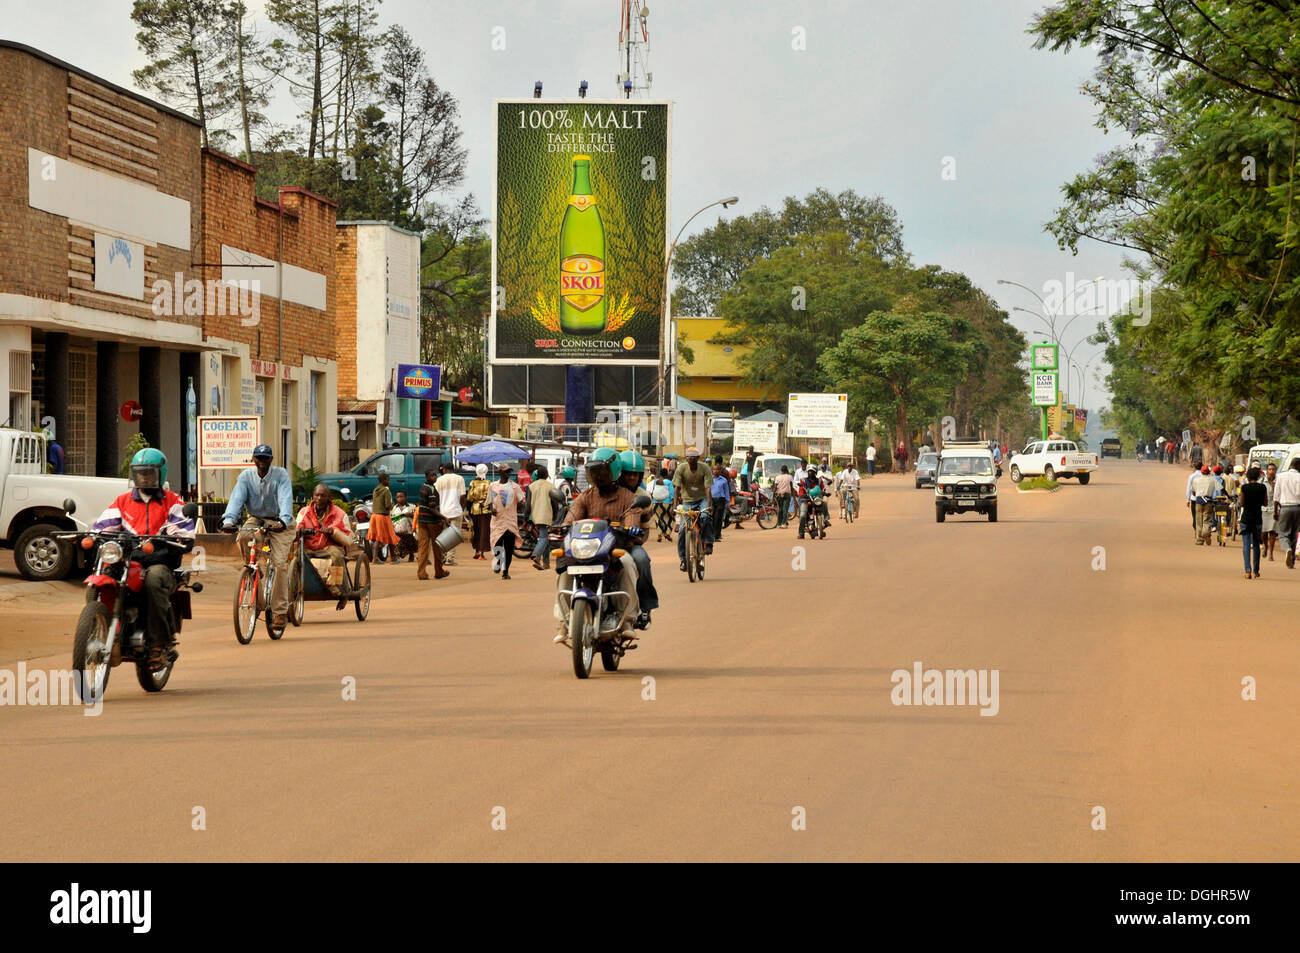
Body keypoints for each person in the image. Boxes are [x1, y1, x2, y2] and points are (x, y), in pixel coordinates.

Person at [93, 448, 195, 667]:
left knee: (153, 580)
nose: (144, 477)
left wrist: (168, 542)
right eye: (140, 473)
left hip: (160, 564)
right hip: (127, 562)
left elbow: (185, 534)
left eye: (149, 473)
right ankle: (99, 627)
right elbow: (103, 526)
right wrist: (95, 537)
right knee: (102, 575)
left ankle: (158, 646)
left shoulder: (173, 501)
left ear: (160, 474)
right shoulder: (122, 501)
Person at [552, 448, 646, 645]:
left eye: (602, 472)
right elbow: (573, 515)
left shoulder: (628, 497)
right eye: (594, 472)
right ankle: (564, 621)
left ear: (614, 471)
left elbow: (633, 517)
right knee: (565, 570)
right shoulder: (587, 495)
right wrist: (563, 526)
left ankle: (627, 621)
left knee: (628, 564)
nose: (598, 476)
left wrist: (630, 528)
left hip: (614, 550)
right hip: (587, 548)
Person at [221, 444, 294, 629]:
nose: (262, 462)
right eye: (258, 458)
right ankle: (252, 567)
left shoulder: (281, 475)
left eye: (265, 458)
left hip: (279, 522)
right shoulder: (246, 477)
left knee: (279, 565)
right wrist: (229, 521)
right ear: (253, 459)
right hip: (256, 518)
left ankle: (279, 613)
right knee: (243, 536)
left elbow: (285, 498)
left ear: (271, 459)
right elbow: (236, 499)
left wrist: (283, 521)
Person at [615, 449, 658, 623]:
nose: (632, 478)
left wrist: (638, 539)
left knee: (642, 560)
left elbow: (646, 529)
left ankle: (646, 607)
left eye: (635, 474)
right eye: (628, 474)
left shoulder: (643, 497)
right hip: (603, 542)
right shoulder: (608, 490)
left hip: (629, 543)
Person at [296, 483, 352, 594]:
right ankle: (293, 585)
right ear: (313, 496)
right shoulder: (304, 512)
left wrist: (333, 532)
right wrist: (299, 532)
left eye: (323, 496)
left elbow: (348, 540)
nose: (319, 498)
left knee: (337, 555)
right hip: (308, 548)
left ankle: (338, 589)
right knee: (293, 556)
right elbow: (295, 530)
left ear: (329, 498)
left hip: (327, 548)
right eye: (317, 495)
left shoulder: (339, 514)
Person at [671, 446, 714, 569]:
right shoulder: (681, 469)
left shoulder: (704, 468)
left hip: (702, 499)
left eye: (693, 457)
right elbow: (677, 488)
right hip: (687, 501)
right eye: (688, 456)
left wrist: (709, 505)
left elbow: (708, 488)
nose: (691, 459)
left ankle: (708, 541)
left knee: (705, 516)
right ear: (686, 458)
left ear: (698, 458)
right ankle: (684, 560)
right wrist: (674, 506)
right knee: (682, 531)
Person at [489, 464, 526, 580]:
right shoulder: (493, 486)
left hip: (510, 522)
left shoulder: (515, 487)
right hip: (497, 522)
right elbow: (489, 502)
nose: (508, 474)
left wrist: (520, 504)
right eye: (505, 472)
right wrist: (492, 509)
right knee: (497, 544)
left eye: (509, 472)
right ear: (500, 472)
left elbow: (521, 502)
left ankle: (506, 571)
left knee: (509, 549)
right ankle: (499, 560)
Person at [416, 468, 449, 581]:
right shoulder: (431, 489)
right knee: (437, 547)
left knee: (423, 547)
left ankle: (421, 572)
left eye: (435, 475)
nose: (435, 477)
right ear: (427, 476)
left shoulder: (423, 487)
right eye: (432, 475)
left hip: (422, 520)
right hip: (432, 522)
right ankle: (439, 571)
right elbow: (432, 508)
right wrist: (444, 517)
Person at [528, 466, 563, 570]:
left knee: (545, 537)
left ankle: (546, 563)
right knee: (543, 537)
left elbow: (528, 504)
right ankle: (536, 556)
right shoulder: (551, 486)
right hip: (546, 514)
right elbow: (554, 502)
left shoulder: (531, 486)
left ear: (537, 475)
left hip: (535, 515)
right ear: (547, 475)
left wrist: (526, 517)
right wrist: (556, 514)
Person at [433, 462, 466, 566]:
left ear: (445, 469)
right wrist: (461, 508)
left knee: (443, 535)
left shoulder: (439, 480)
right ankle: (449, 559)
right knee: (453, 537)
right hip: (456, 510)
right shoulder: (459, 478)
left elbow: (435, 496)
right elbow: (463, 496)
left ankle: (442, 557)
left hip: (443, 512)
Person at [1238, 467, 1268, 579]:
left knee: (1246, 545)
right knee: (1256, 545)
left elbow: (1241, 504)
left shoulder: (1244, 487)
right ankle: (1256, 571)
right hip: (1257, 519)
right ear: (1258, 477)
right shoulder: (1262, 487)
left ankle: (1247, 571)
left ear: (1248, 477)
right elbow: (1265, 503)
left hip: (1246, 519)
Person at [368, 469, 400, 563]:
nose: (389, 482)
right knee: (387, 536)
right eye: (388, 480)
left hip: (375, 516)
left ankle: (380, 558)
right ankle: (379, 558)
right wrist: (392, 504)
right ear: (384, 480)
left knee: (381, 537)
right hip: (383, 516)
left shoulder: (376, 489)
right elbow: (387, 505)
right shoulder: (386, 490)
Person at [1273, 457, 1300, 568]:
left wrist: (1275, 511)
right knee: (1295, 534)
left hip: (1284, 507)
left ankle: (1287, 548)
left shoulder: (1280, 476)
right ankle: (1292, 562)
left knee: (1283, 533)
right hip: (1298, 508)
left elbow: (1276, 495)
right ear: (1298, 466)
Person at [467, 463, 493, 560]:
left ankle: (476, 551)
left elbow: (469, 498)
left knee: (477, 530)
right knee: (484, 531)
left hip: (475, 509)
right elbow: (490, 498)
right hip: (485, 510)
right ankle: (482, 554)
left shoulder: (472, 483)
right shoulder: (489, 483)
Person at [1189, 465, 1220, 546]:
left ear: (1201, 472)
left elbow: (1193, 492)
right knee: (1207, 519)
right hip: (1208, 502)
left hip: (1198, 502)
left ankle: (1199, 540)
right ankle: (1206, 532)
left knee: (1198, 521)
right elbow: (1221, 489)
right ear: (1209, 472)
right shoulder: (1212, 479)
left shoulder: (1196, 480)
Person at [649, 466, 675, 541]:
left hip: (655, 503)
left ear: (660, 474)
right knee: (671, 518)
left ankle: (659, 535)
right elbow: (672, 494)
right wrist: (673, 503)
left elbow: (652, 491)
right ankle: (667, 533)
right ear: (667, 474)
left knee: (658, 519)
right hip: (666, 503)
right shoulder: (669, 482)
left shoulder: (655, 482)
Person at [391, 490, 417, 562]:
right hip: (397, 529)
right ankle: (398, 556)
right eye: (398, 497)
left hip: (409, 529)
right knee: (399, 544)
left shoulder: (412, 506)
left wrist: (411, 515)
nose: (399, 498)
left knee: (410, 543)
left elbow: (417, 516)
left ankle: (411, 554)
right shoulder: (394, 508)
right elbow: (392, 518)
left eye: (401, 496)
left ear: (405, 497)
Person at [709, 462, 732, 543]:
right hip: (711, 500)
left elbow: (726, 491)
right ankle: (711, 535)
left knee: (718, 518)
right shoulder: (710, 479)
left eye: (718, 470)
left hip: (721, 500)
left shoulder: (724, 480)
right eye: (714, 469)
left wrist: (727, 502)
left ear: (720, 471)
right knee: (711, 517)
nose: (716, 471)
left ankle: (717, 535)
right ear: (712, 471)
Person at [1263, 462, 1279, 561]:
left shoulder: (1278, 482)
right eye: (1270, 469)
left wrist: (1273, 485)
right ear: (1267, 471)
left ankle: (1271, 553)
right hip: (1264, 509)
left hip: (1274, 509)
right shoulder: (1262, 482)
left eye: (1273, 469)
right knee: (1264, 533)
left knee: (1272, 532)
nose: (1271, 471)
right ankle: (1265, 547)